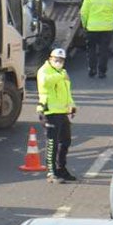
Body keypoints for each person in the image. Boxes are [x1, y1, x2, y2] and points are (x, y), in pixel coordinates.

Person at [37, 48, 77, 183]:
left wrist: (72, 105)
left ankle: (61, 169)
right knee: (52, 142)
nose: (59, 62)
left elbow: (67, 91)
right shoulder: (44, 71)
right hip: (49, 112)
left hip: (61, 112)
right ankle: (51, 172)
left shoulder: (63, 72)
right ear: (50, 58)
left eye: (61, 60)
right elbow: (45, 82)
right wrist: (60, 75)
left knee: (65, 141)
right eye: (56, 60)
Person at [80, 0, 113, 78]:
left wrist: (84, 25)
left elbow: (83, 13)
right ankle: (102, 71)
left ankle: (92, 69)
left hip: (92, 28)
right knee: (104, 50)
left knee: (91, 49)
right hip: (107, 28)